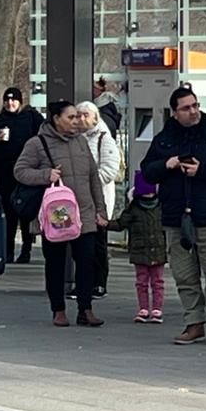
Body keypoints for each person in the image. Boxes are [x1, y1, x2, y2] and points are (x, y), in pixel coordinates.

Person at [141, 88, 206, 347]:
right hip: (175, 217)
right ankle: (194, 323)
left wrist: (202, 170)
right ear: (175, 113)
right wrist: (168, 164)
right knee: (185, 275)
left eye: (195, 105)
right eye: (186, 108)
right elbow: (147, 172)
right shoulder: (164, 139)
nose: (193, 111)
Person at [15, 99, 109, 327]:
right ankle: (58, 309)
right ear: (56, 119)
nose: (76, 121)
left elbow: (93, 177)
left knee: (86, 261)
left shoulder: (81, 142)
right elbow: (20, 171)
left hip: (84, 212)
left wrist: (100, 209)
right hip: (56, 214)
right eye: (71, 117)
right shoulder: (37, 143)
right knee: (56, 262)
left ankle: (85, 309)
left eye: (77, 117)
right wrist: (45, 175)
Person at [0, 88, 43, 264]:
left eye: (14, 100)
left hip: (26, 171)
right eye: (7, 101)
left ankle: (26, 249)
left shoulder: (31, 118)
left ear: (20, 101)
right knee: (8, 212)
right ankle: (7, 250)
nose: (10, 103)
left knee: (26, 210)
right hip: (4, 171)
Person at [79, 98, 123, 298]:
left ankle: (99, 283)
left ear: (95, 118)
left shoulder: (104, 138)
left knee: (98, 242)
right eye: (78, 115)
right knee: (81, 243)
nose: (81, 119)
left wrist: (87, 181)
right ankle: (84, 283)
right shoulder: (76, 138)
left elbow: (110, 168)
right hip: (79, 199)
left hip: (99, 199)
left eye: (85, 115)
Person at [114, 175, 166, 323]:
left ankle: (153, 308)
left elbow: (120, 224)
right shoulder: (158, 207)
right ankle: (147, 308)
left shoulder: (134, 208)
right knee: (147, 281)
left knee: (153, 281)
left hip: (148, 250)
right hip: (150, 250)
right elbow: (120, 224)